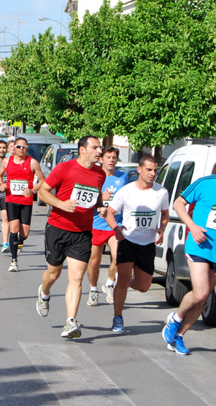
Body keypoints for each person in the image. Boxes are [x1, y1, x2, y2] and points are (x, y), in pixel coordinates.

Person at [162, 149, 216, 355]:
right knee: (200, 292)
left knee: (203, 298)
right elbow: (178, 203)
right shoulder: (205, 184)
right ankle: (174, 320)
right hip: (198, 245)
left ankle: (180, 336)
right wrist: (191, 225)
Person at [35, 135, 106, 338]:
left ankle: (70, 321)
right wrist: (61, 204)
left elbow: (95, 194)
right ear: (82, 149)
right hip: (58, 228)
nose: (99, 151)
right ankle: (44, 292)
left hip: (82, 233)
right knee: (54, 274)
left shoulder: (100, 174)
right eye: (95, 147)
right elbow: (43, 192)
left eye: (100, 147)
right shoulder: (65, 168)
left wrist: (99, 206)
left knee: (76, 277)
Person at [103, 156, 169, 332]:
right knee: (124, 278)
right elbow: (109, 212)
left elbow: (165, 214)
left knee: (144, 286)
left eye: (155, 170)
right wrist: (116, 228)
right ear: (139, 169)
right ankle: (117, 317)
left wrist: (161, 229)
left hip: (147, 244)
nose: (152, 174)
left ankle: (120, 284)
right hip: (127, 240)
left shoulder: (161, 192)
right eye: (149, 170)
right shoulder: (126, 191)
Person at [85, 147, 128, 306]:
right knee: (94, 261)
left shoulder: (123, 177)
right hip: (96, 224)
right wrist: (100, 198)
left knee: (118, 257)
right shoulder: (95, 176)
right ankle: (93, 289)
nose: (111, 160)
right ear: (101, 159)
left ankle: (109, 284)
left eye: (114, 157)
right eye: (108, 157)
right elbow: (85, 200)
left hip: (115, 225)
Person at [0, 137, 45, 272]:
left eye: (24, 147)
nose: (21, 149)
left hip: (26, 201)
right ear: (14, 147)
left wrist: (33, 191)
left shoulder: (33, 162)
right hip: (11, 199)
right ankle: (14, 260)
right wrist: (2, 185)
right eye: (18, 147)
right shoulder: (7, 161)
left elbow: (42, 180)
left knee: (25, 232)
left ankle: (21, 241)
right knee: (14, 228)